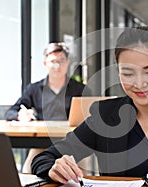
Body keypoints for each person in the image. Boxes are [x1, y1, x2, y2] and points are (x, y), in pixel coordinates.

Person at [31, 26, 148, 184]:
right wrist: (54, 167)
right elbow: (44, 158)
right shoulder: (105, 115)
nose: (139, 83)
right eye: (128, 74)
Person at [5, 42, 91, 173]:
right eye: (53, 61)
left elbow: (93, 115)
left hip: (73, 142)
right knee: (28, 169)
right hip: (42, 142)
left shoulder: (80, 89)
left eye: (61, 61)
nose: (57, 66)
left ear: (67, 63)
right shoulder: (34, 89)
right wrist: (20, 115)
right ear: (45, 64)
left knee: (83, 172)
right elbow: (11, 111)